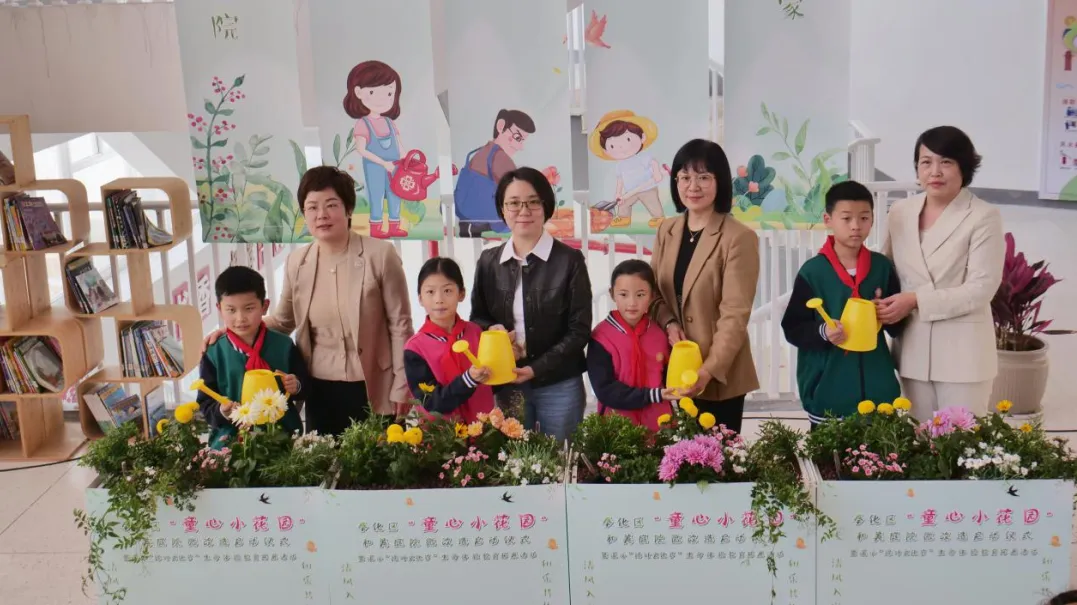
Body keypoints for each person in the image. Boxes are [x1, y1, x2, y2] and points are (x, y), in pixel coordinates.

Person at [203, 166, 414, 435]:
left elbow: (400, 325)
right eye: (312, 207)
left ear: (349, 209)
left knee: (379, 457)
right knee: (324, 457)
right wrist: (231, 331)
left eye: (331, 205)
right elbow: (283, 321)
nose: (321, 214)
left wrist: (402, 385)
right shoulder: (298, 262)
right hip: (319, 388)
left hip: (374, 383)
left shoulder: (381, 255)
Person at [878, 126, 1004, 419]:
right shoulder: (900, 212)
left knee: (961, 440)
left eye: (946, 162)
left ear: (964, 167)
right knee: (918, 440)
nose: (934, 171)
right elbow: (885, 267)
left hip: (963, 354)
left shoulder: (983, 216)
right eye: (926, 162)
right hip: (912, 348)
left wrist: (915, 300)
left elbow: (981, 288)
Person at [470, 167, 592, 443]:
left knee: (560, 458)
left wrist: (536, 368)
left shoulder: (570, 261)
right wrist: (495, 332)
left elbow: (579, 330)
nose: (523, 210)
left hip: (559, 382)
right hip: (507, 379)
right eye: (513, 203)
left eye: (533, 201)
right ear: (502, 210)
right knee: (513, 460)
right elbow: (478, 317)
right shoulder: (489, 262)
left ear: (546, 206)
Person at [650, 139, 759, 435]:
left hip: (718, 374)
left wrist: (708, 370)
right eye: (685, 177)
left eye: (703, 177)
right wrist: (669, 322)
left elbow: (735, 314)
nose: (693, 186)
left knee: (714, 458)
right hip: (671, 366)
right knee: (672, 454)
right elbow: (653, 293)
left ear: (719, 181)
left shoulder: (738, 238)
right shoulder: (667, 230)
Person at [781, 181, 903, 428]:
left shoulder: (882, 267)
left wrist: (889, 314)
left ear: (872, 220)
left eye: (864, 218)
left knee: (881, 451)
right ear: (828, 219)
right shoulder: (813, 272)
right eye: (846, 218)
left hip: (878, 390)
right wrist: (823, 332)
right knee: (829, 453)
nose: (856, 226)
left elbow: (896, 328)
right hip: (827, 391)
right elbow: (792, 328)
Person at [197, 266, 306, 448]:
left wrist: (297, 385)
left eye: (249, 308)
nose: (240, 318)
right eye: (231, 310)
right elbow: (205, 402)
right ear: (219, 309)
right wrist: (221, 411)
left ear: (264, 306)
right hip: (231, 444)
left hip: (282, 437)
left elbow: (306, 384)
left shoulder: (284, 345)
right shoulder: (214, 352)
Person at [404, 257, 495, 424]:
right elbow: (431, 402)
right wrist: (468, 380)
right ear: (420, 298)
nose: (439, 299)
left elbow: (494, 381)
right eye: (430, 292)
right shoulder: (415, 348)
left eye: (447, 291)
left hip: (485, 428)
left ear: (461, 294)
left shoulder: (476, 332)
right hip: (441, 436)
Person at [587, 259, 676, 431]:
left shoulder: (660, 335)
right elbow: (605, 390)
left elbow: (669, 379)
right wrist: (653, 395)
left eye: (640, 295)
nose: (632, 303)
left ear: (652, 296)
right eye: (623, 294)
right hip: (618, 429)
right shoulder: (600, 337)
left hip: (660, 424)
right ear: (612, 294)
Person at [345, 60, 408, 239]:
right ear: (358, 92)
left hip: (395, 166)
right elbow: (362, 150)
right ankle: (376, 226)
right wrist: (382, 163)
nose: (382, 99)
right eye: (372, 92)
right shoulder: (363, 124)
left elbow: (399, 146)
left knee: (396, 194)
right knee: (377, 195)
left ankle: (395, 225)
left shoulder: (389, 122)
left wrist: (406, 160)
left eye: (389, 93)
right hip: (375, 168)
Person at [455, 109, 536, 237]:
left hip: (467, 218)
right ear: (501, 126)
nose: (520, 147)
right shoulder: (500, 158)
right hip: (486, 222)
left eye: (522, 141)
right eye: (517, 138)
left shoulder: (481, 152)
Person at [590, 110, 666, 228]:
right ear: (606, 151)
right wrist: (618, 193)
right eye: (612, 146)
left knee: (652, 202)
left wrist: (657, 173)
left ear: (642, 137)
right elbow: (620, 180)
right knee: (623, 203)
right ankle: (624, 217)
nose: (622, 147)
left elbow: (653, 163)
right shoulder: (620, 165)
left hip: (647, 187)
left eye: (628, 139)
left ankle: (658, 217)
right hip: (630, 191)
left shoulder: (642, 158)